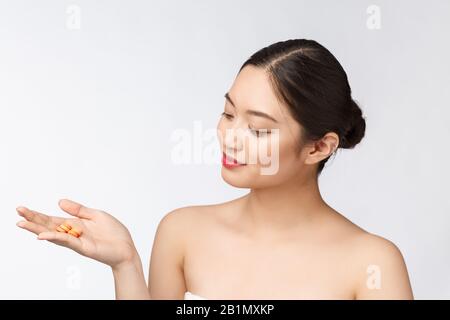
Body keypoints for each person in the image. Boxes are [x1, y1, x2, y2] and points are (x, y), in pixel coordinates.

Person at [16, 39, 413, 300]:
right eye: (227, 113)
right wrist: (126, 263)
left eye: (257, 129)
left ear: (318, 147)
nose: (230, 137)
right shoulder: (182, 232)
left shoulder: (372, 262)